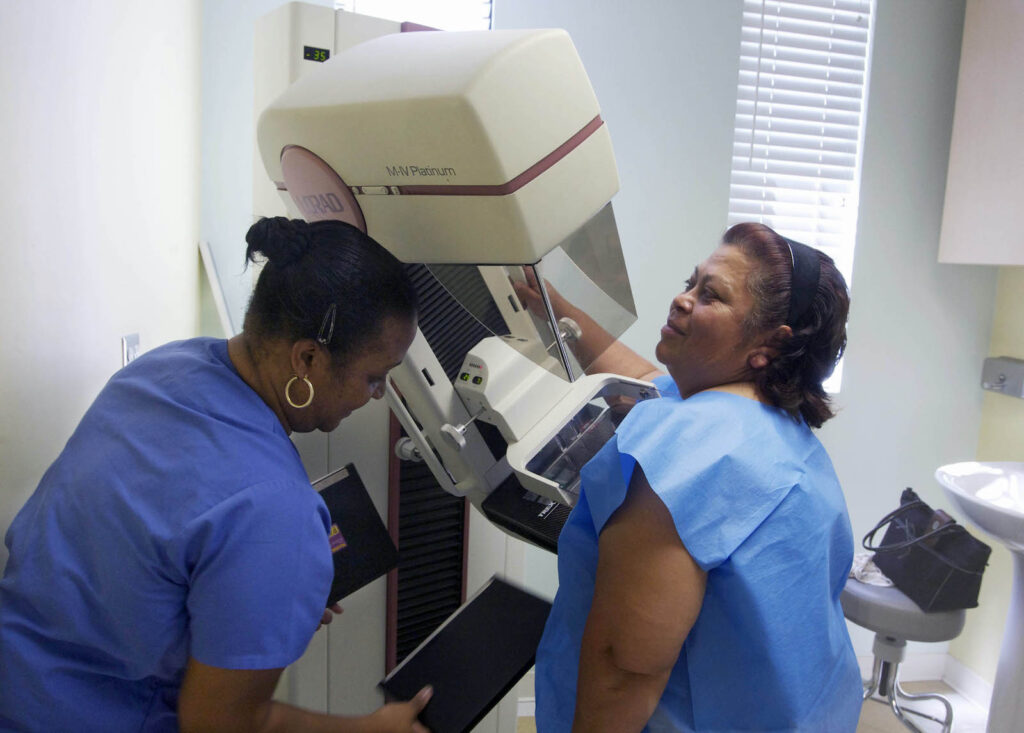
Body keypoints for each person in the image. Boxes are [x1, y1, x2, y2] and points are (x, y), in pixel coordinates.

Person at [0, 217, 432, 732]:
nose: (375, 395)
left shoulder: (160, 369)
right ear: (309, 359)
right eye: (374, 377)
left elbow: (128, 552)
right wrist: (371, 729)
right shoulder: (277, 515)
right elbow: (220, 724)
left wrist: (248, 594)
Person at [523, 222, 862, 732]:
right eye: (690, 282)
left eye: (712, 295)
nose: (682, 300)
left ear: (771, 340)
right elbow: (642, 377)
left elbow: (623, 669)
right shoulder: (769, 423)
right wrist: (546, 302)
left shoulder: (692, 451)